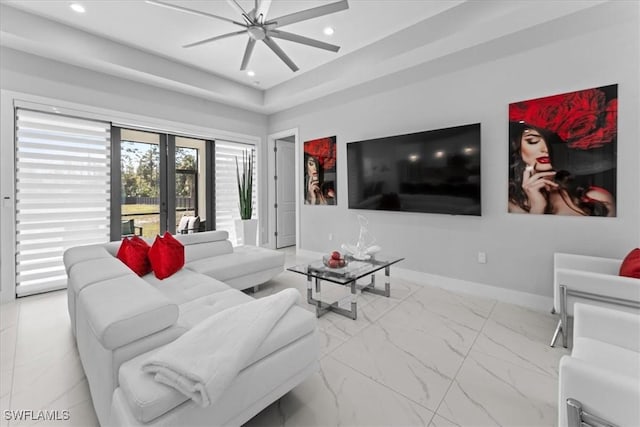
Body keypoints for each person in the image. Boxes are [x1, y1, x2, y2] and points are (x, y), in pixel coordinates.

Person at [508, 122, 615, 216]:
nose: (545, 149)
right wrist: (537, 208)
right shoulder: (509, 202)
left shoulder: (597, 198)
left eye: (552, 142)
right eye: (533, 140)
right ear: (517, 147)